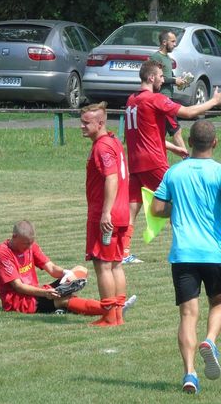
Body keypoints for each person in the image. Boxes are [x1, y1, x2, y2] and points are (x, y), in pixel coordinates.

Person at [150, 120, 221, 394]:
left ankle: (190, 373)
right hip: (214, 252)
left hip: (184, 255)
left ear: (189, 143)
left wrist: (176, 209)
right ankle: (210, 340)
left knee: (188, 315)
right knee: (219, 303)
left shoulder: (174, 172)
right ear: (215, 143)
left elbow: (156, 209)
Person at [123, 59, 221, 264]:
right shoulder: (154, 99)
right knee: (181, 202)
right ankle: (190, 246)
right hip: (154, 162)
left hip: (135, 162)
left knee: (132, 207)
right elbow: (189, 112)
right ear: (151, 77)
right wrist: (214, 101)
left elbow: (144, 134)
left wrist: (173, 147)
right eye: (161, 76)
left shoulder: (131, 100)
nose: (163, 80)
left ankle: (122, 251)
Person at [81, 101, 136, 326]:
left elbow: (111, 177)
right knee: (115, 263)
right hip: (122, 212)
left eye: (86, 123)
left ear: (101, 123)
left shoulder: (102, 147)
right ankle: (118, 314)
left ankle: (108, 315)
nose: (82, 126)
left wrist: (105, 213)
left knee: (102, 264)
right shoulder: (114, 141)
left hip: (107, 215)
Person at [0, 220, 113, 317]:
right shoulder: (2, 252)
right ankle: (108, 310)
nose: (29, 247)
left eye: (31, 243)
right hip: (20, 300)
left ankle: (62, 300)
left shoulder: (31, 246)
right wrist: (45, 293)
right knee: (65, 299)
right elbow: (18, 286)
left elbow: (52, 268)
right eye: (26, 243)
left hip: (38, 292)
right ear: (14, 236)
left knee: (81, 270)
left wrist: (66, 273)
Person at [150, 30, 186, 151]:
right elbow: (156, 78)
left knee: (160, 134)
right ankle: (187, 158)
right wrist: (174, 81)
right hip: (161, 99)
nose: (175, 44)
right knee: (176, 130)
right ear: (164, 42)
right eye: (173, 41)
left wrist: (179, 80)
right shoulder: (156, 57)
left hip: (167, 98)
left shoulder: (168, 58)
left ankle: (155, 155)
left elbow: (167, 76)